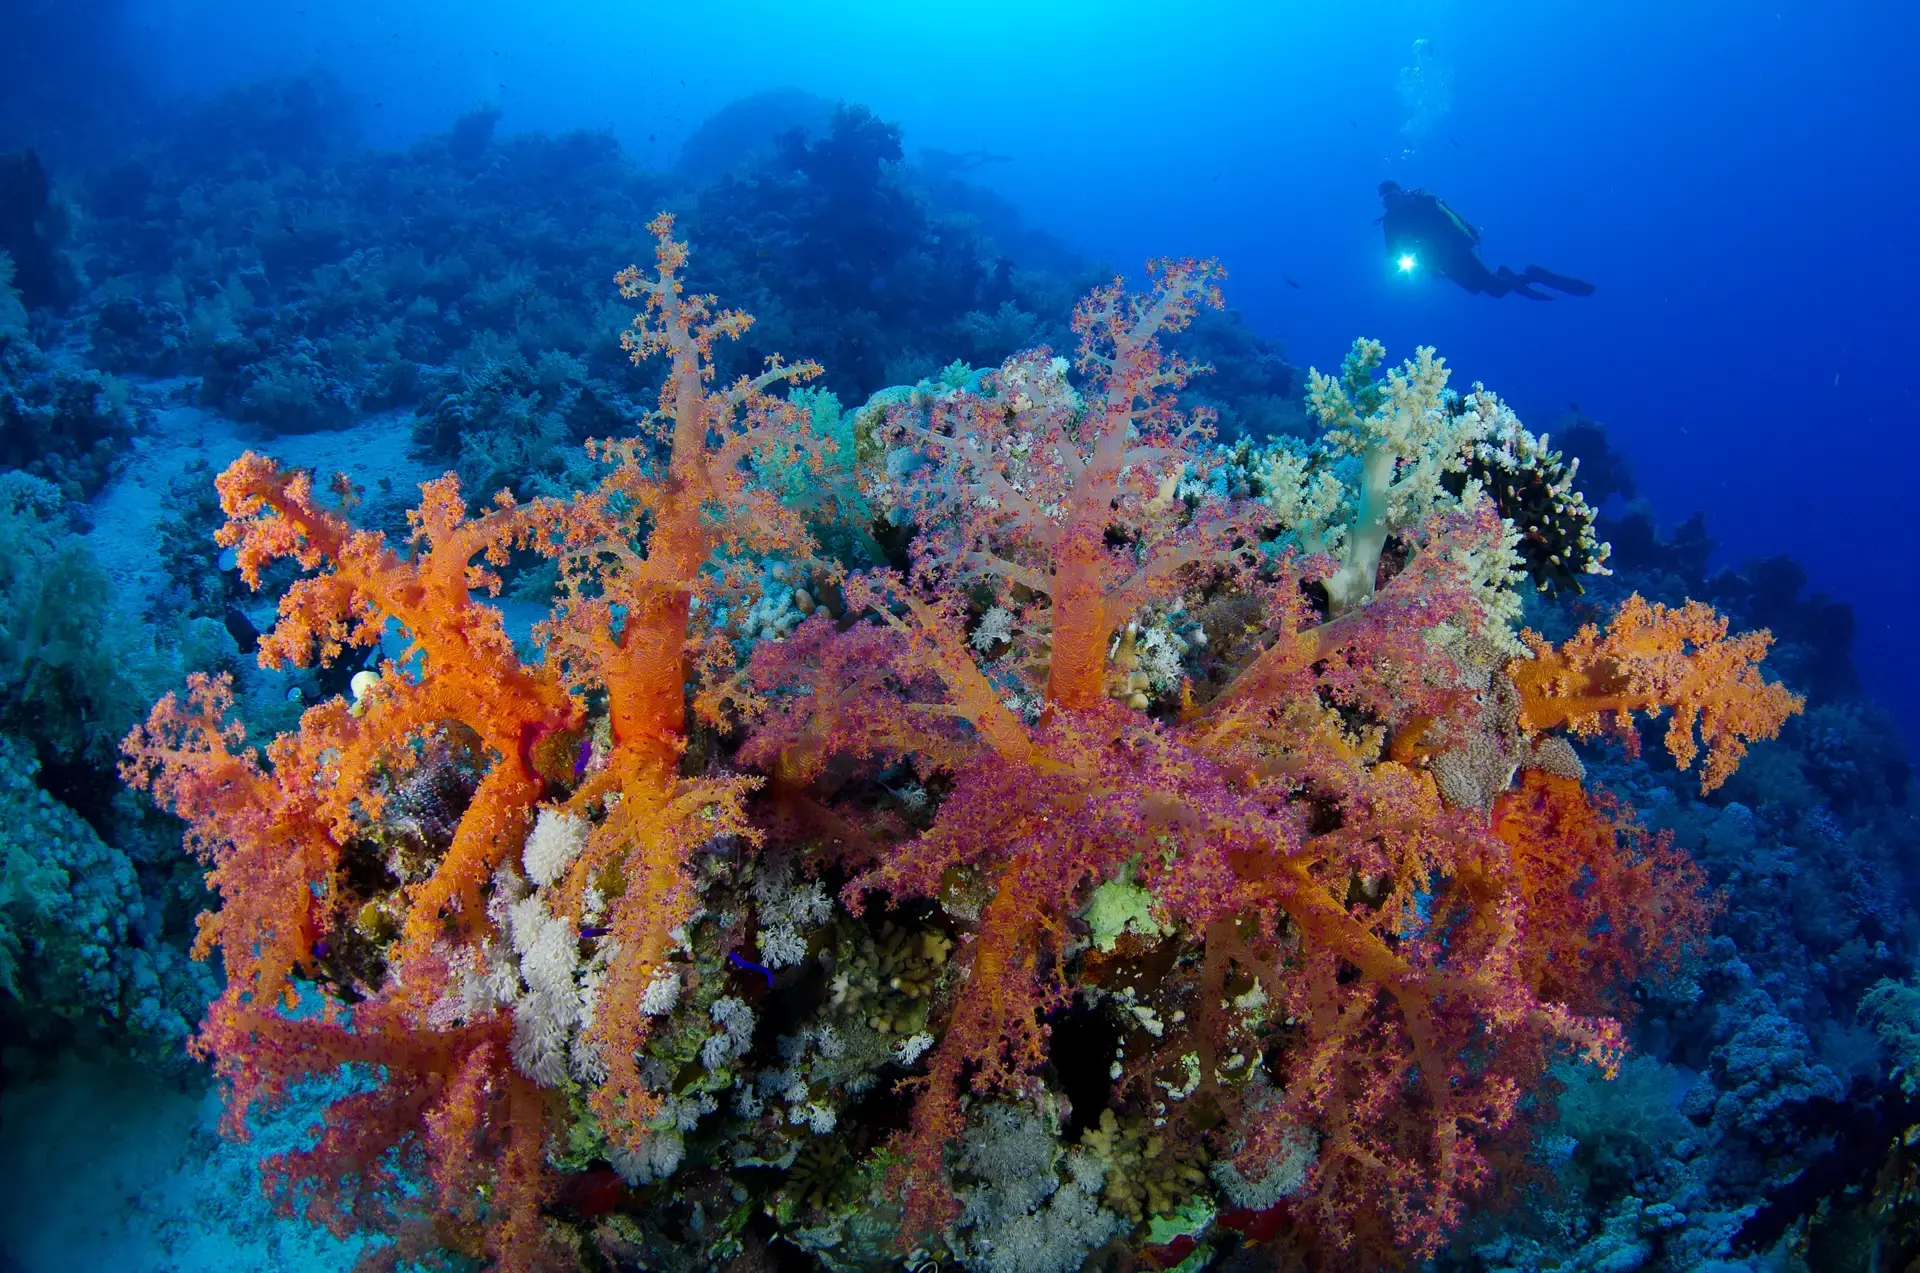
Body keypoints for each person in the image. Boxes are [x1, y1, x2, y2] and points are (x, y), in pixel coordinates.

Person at [1377, 180, 1594, 299]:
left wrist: (1470, 235)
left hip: (1456, 249)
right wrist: (1423, 265)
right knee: (1492, 291)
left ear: (1401, 192)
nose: (1391, 203)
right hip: (1440, 262)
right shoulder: (1390, 222)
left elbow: (1452, 218)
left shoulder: (1424, 202)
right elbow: (1393, 253)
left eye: (1393, 197)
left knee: (1495, 289)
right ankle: (1511, 277)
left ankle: (1532, 275)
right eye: (1386, 201)